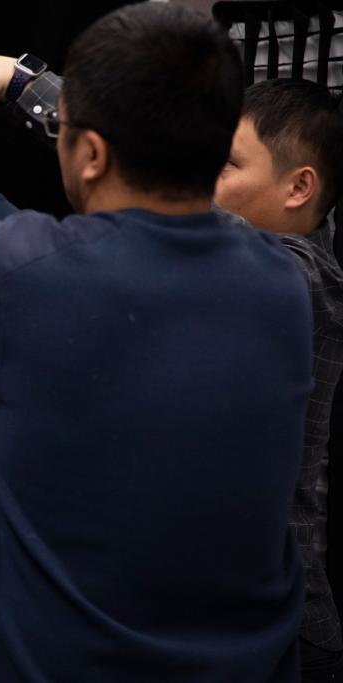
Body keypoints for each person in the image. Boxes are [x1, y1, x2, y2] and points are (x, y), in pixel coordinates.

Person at [0, 4, 311, 680]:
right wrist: (5, 121)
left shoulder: (24, 271)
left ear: (93, 154)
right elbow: (78, 272)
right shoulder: (282, 283)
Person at [214, 78, 343, 682]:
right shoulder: (223, 271)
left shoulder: (301, 278)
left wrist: (24, 84)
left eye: (226, 164)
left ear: (298, 187)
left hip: (283, 636)